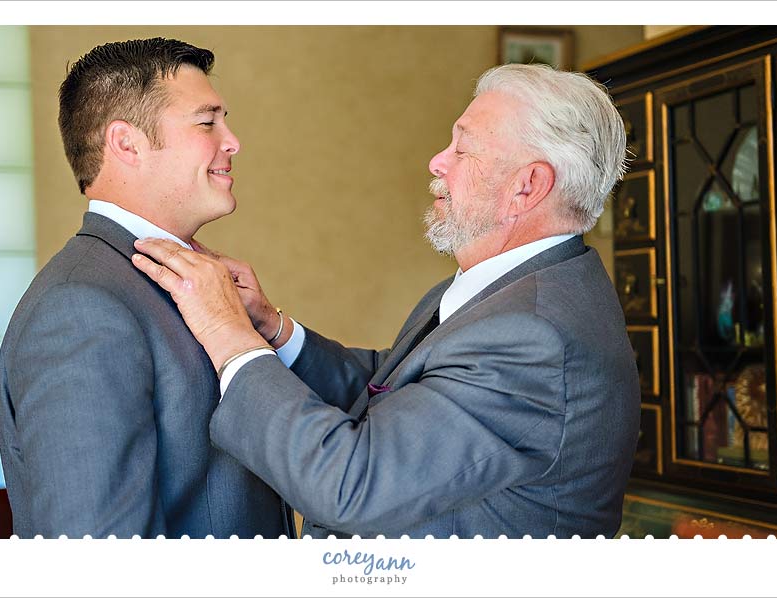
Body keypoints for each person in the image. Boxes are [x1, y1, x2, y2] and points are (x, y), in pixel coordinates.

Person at [133, 63, 641, 539]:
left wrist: (229, 336)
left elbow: (352, 485)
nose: (437, 161)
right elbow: (397, 390)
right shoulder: (502, 289)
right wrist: (273, 330)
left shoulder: (535, 335)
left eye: (462, 150)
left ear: (527, 187)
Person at [0, 38, 294, 539]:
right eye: (207, 122)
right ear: (126, 143)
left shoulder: (188, 279)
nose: (233, 140)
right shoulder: (81, 308)